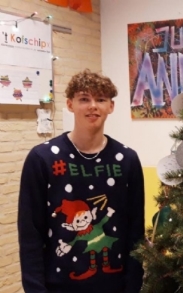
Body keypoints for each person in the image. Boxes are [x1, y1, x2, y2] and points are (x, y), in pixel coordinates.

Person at [18, 69, 145, 293]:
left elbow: (135, 230)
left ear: (111, 107)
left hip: (114, 286)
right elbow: (30, 234)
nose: (92, 105)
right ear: (70, 104)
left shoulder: (127, 159)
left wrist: (133, 284)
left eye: (101, 99)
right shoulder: (43, 158)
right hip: (57, 286)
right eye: (84, 99)